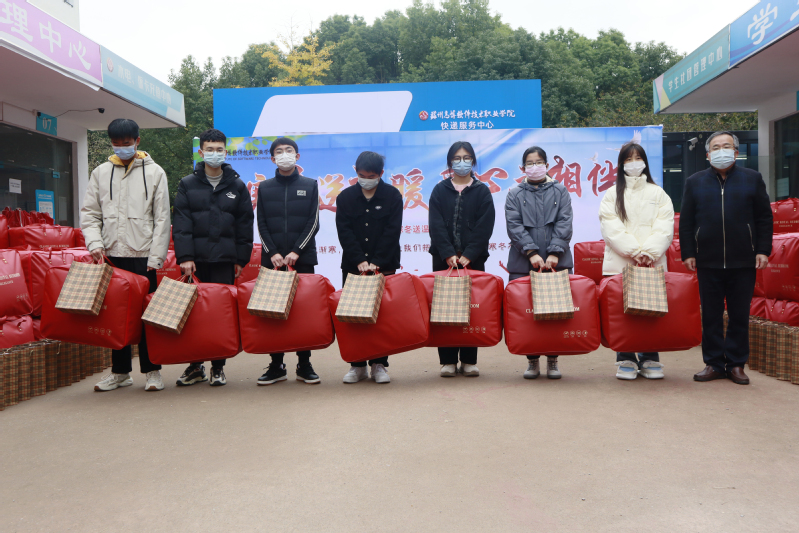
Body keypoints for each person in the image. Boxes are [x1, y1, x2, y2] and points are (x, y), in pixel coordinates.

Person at [82, 119, 171, 392]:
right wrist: (94, 243)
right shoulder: (100, 172)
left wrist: (156, 258)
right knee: (115, 316)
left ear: (137, 141)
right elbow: (90, 213)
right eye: (116, 144)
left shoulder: (155, 172)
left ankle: (152, 371)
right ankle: (120, 372)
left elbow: (162, 218)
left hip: (143, 256)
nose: (121, 148)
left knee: (147, 315)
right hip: (111, 255)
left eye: (127, 143)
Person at [679, 131, 772, 385]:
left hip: (743, 260)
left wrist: (763, 249)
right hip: (707, 260)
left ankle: (736, 364)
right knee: (710, 315)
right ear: (708, 155)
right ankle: (714, 363)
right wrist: (688, 252)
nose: (721, 151)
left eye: (726, 146)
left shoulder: (752, 179)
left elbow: (764, 217)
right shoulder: (695, 182)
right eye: (716, 147)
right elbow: (686, 221)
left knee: (739, 315)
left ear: (736, 152)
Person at [172, 128, 254, 387]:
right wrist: (185, 256)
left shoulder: (237, 185)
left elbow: (245, 225)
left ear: (225, 152)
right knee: (193, 315)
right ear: (201, 152)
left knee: (220, 314)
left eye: (219, 149)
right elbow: (181, 223)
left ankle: (218, 366)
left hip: (224, 260)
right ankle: (195, 366)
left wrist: (240, 259)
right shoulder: (187, 184)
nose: (214, 153)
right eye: (209, 149)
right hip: (194, 262)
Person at [599, 142, 674, 380]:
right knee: (623, 314)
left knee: (651, 312)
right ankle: (626, 358)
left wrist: (649, 252)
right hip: (620, 263)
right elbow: (610, 227)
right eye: (628, 159)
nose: (634, 163)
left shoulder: (658, 193)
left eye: (637, 158)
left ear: (645, 162)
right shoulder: (612, 194)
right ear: (621, 164)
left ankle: (650, 357)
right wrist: (634, 251)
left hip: (651, 262)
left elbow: (665, 226)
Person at [254, 137, 321, 386]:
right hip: (272, 260)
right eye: (279, 152)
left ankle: (304, 363)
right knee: (273, 313)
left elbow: (313, 222)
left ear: (297, 156)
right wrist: (272, 252)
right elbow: (261, 222)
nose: (284, 154)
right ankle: (276, 364)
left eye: (289, 150)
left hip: (302, 259)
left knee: (303, 311)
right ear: (273, 159)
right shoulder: (265, 187)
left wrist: (296, 251)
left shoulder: (310, 185)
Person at [505, 146, 573, 380]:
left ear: (547, 165)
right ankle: (532, 359)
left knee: (556, 311)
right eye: (530, 163)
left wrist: (555, 252)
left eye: (539, 162)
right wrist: (531, 252)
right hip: (524, 262)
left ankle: (553, 359)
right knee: (527, 313)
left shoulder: (561, 191)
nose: (535, 167)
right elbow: (514, 226)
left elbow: (565, 221)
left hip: (556, 261)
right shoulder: (514, 194)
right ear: (523, 167)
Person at [429, 141, 495, 377]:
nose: (462, 162)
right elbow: (435, 225)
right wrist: (448, 253)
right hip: (443, 261)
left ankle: (469, 360)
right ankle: (447, 361)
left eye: (467, 158)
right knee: (444, 308)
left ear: (473, 161)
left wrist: (469, 254)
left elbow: (484, 227)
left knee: (472, 308)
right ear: (450, 163)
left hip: (472, 261)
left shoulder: (482, 191)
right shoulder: (439, 190)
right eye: (457, 158)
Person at [336, 151, 403, 384]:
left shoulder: (392, 195)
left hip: (384, 266)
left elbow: (392, 231)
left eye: (371, 176)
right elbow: (344, 231)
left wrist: (377, 261)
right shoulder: (345, 197)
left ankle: (379, 364)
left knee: (381, 317)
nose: (366, 180)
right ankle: (357, 365)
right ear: (356, 171)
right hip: (353, 266)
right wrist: (359, 260)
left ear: (381, 174)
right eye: (362, 175)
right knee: (354, 316)